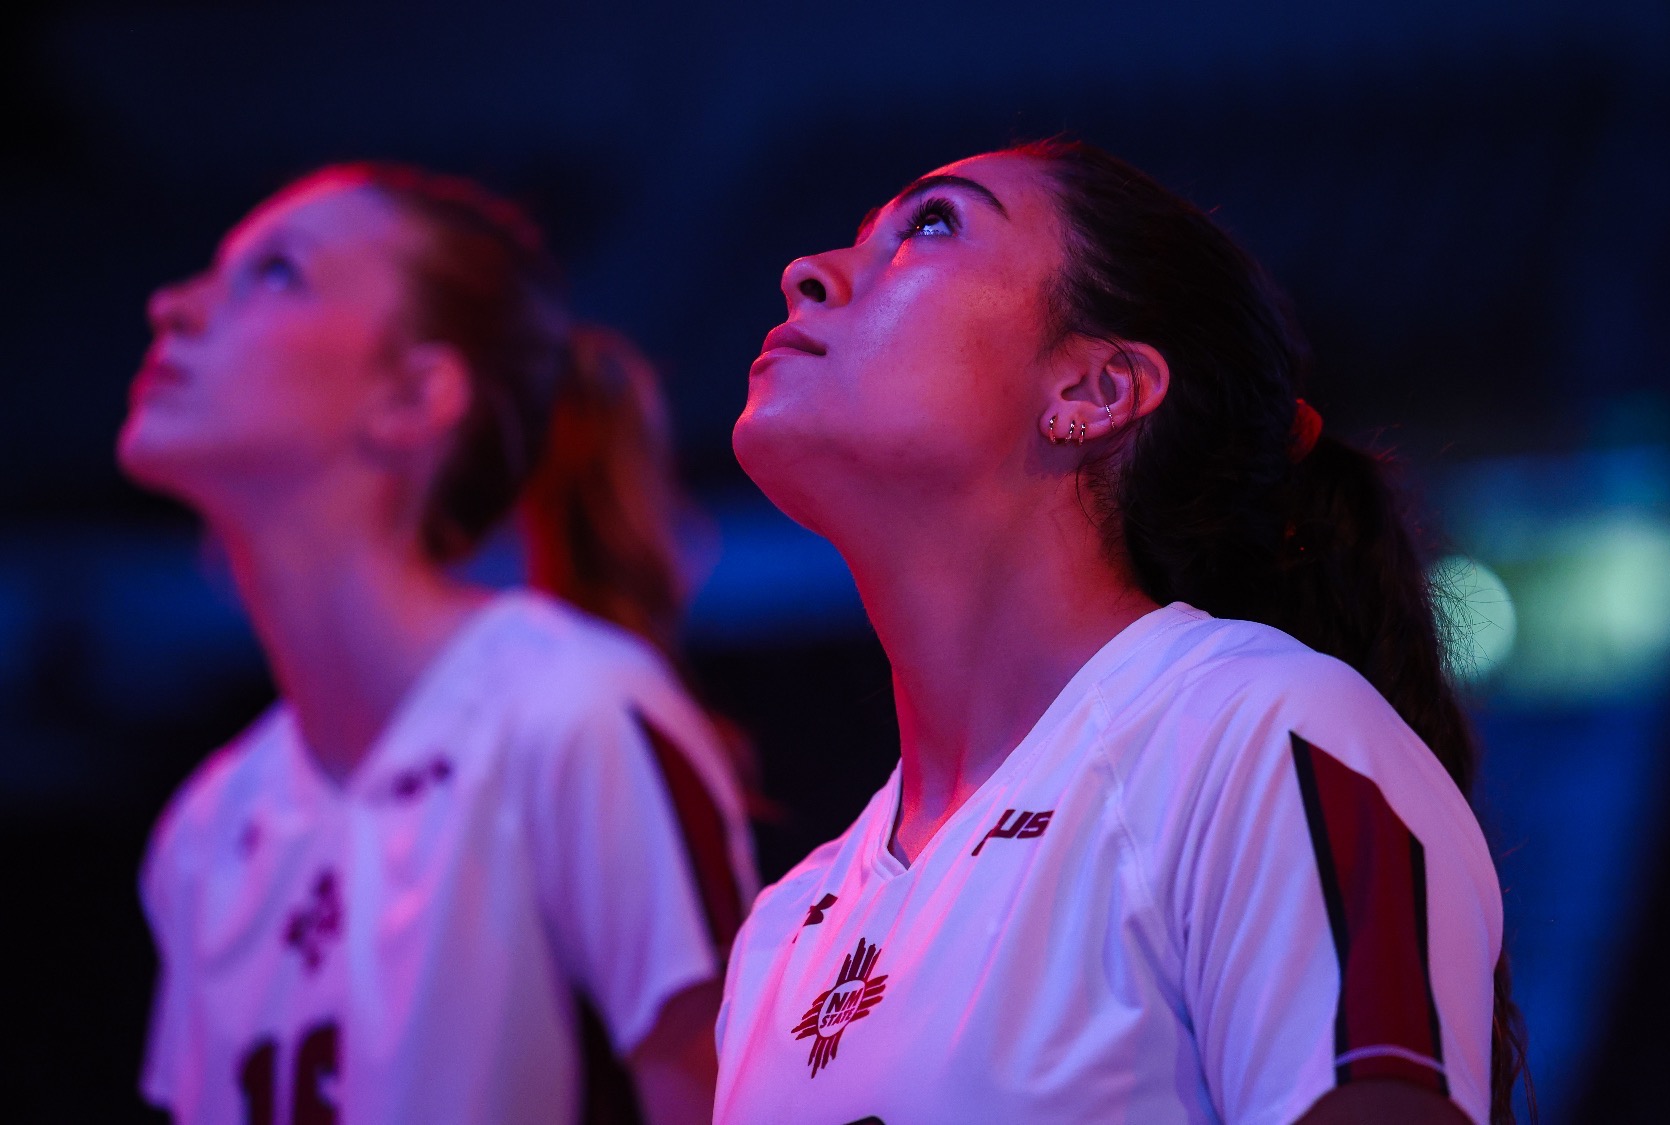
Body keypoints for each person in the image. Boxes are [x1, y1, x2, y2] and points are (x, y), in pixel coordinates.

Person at [714, 140, 1524, 1125]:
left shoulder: (1259, 735)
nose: (807, 273)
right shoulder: (782, 928)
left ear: (1092, 391)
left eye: (930, 225)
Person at [119, 163, 756, 1125]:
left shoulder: (574, 714)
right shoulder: (206, 832)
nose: (172, 305)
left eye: (276, 273)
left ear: (416, 396)